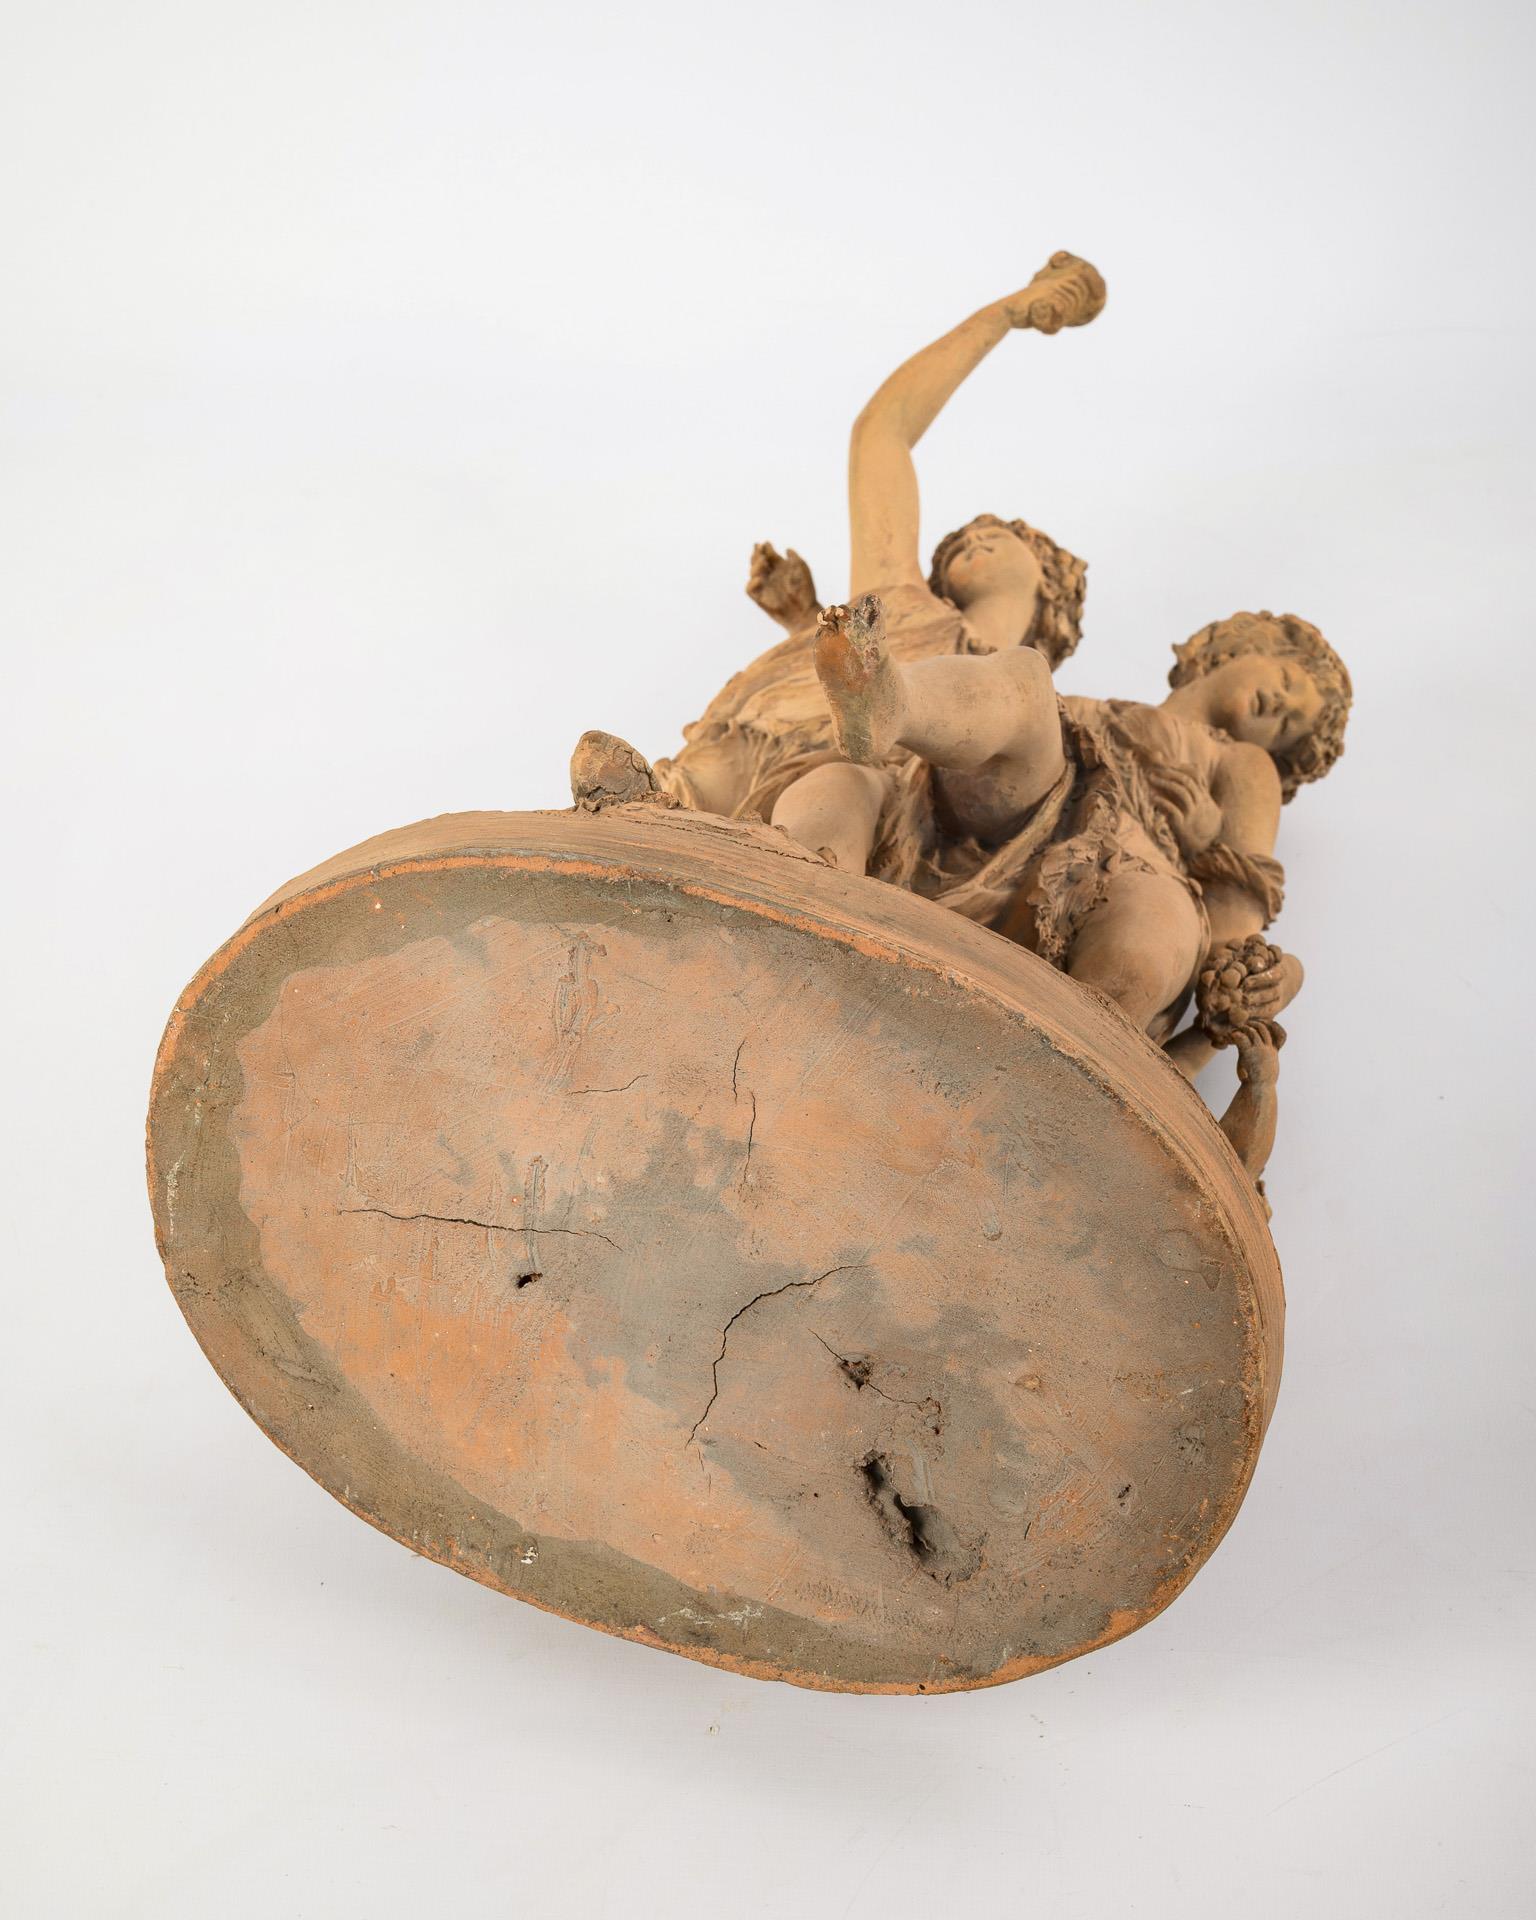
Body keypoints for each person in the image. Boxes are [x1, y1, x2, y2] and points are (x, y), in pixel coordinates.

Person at [569, 255, 1352, 1189]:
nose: (1284, 704)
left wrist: (1253, 982)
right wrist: (1008, 314)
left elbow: (1237, 919)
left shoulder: (1237, 767)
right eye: (1288, 677)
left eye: (1296, 716)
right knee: (871, 766)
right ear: (1232, 642)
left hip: (1113, 863)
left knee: (1144, 930)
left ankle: (1067, 1106)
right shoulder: (1059, 694)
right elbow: (882, 438)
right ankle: (801, 860)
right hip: (952, 803)